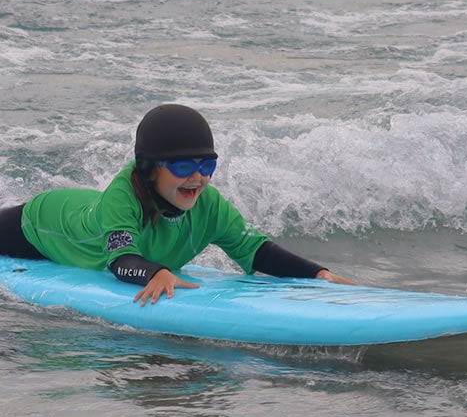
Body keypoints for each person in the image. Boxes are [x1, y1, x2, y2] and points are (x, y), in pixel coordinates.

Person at [0, 104, 354, 305]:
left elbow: (256, 249)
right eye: (183, 166)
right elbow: (121, 259)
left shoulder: (209, 204)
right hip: (40, 225)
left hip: (79, 214)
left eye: (206, 166)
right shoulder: (123, 197)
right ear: (149, 168)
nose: (197, 178)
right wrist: (155, 272)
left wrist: (316, 274)